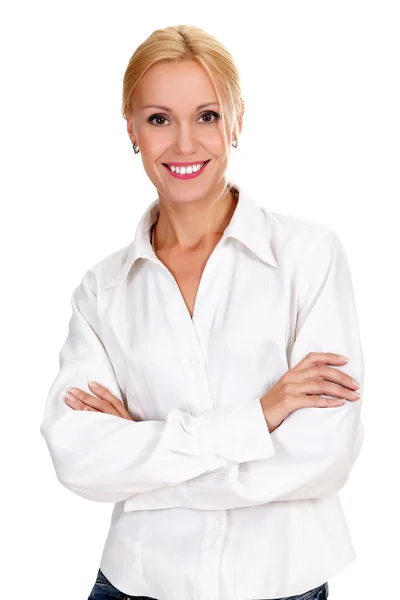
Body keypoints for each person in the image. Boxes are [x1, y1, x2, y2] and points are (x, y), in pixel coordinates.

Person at [39, 24, 364, 600]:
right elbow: (78, 455)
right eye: (159, 118)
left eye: (207, 116)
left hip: (280, 586)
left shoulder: (308, 257)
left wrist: (145, 463)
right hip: (136, 583)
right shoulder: (103, 291)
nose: (185, 144)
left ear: (237, 119)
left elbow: (324, 454)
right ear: (132, 129)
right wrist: (259, 418)